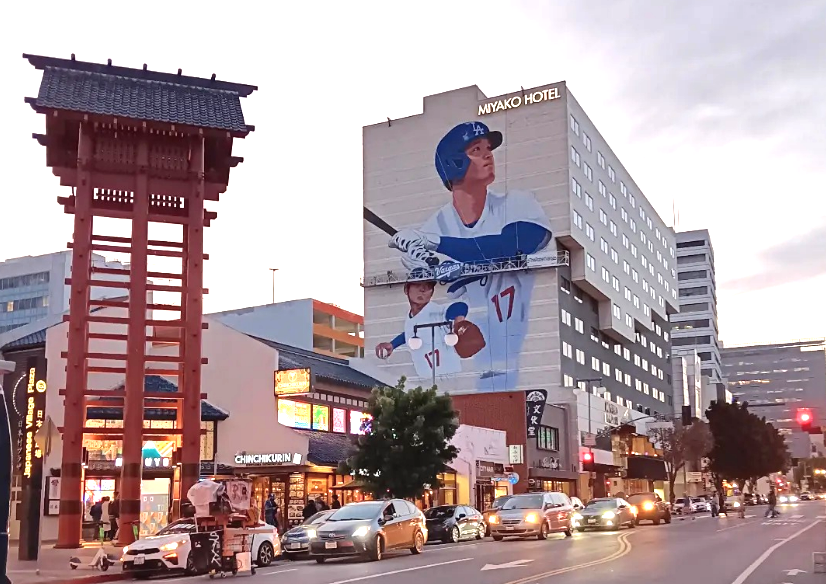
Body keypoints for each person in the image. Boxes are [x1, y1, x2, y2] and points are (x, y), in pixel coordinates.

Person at [389, 121, 553, 391]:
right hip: (468, 367)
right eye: (476, 150)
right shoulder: (432, 227)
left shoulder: (516, 203)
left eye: (488, 148)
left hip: (524, 355)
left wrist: (437, 245)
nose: (489, 155)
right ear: (454, 163)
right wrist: (419, 261)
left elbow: (515, 243)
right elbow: (429, 298)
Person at [375, 281, 469, 377]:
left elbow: (459, 307)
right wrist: (393, 344)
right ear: (406, 289)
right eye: (417, 285)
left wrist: (459, 323)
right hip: (425, 381)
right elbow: (410, 332)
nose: (422, 290)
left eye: (428, 286)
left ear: (432, 293)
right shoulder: (411, 316)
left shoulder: (436, 311)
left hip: (449, 376)